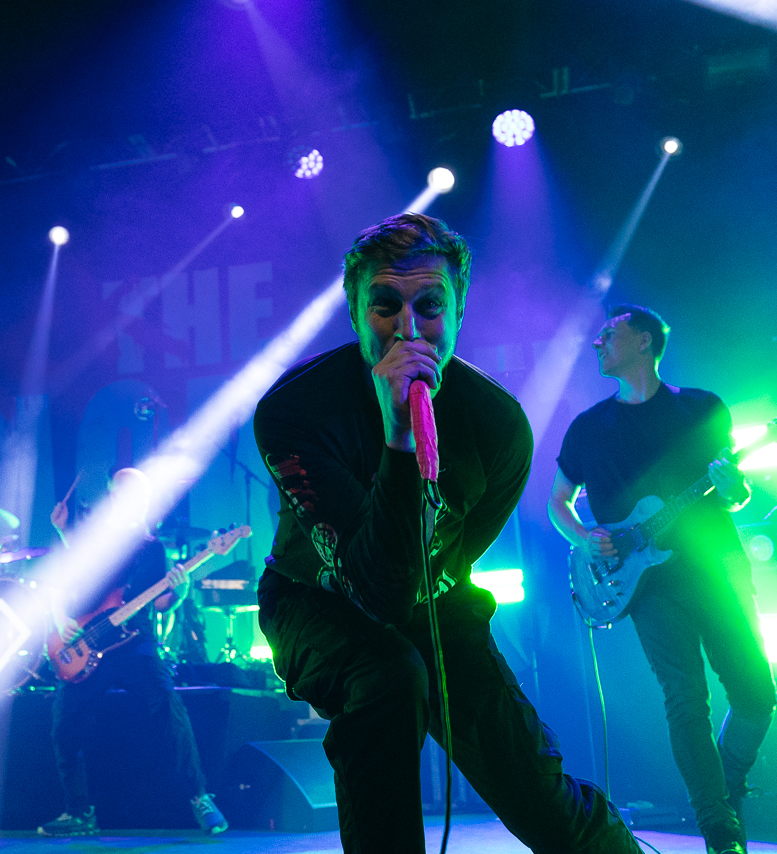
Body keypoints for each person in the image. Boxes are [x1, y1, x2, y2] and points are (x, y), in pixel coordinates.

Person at [255, 213, 638, 853]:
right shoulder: (295, 410)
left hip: (433, 594)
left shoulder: (498, 427)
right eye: (385, 305)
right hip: (313, 600)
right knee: (387, 676)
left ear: (458, 310)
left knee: (532, 786)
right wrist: (399, 437)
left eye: (430, 306)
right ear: (355, 314)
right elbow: (376, 591)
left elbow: (445, 562)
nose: (408, 329)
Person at [549, 305, 773, 854]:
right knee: (685, 699)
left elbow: (737, 496)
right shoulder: (587, 428)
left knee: (756, 692)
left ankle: (726, 786)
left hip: (715, 567)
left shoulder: (702, 408)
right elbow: (558, 502)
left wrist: (732, 486)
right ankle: (719, 829)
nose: (598, 341)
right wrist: (585, 537)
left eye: (610, 332)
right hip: (648, 587)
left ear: (644, 341)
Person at [37, 467, 228, 837]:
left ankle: (200, 797)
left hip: (134, 644)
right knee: (64, 722)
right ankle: (78, 812)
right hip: (86, 643)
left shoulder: (152, 549)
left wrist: (180, 591)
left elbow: (161, 603)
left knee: (169, 707)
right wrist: (61, 620)